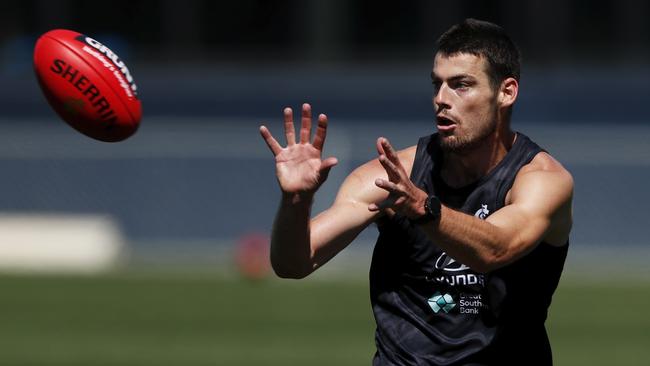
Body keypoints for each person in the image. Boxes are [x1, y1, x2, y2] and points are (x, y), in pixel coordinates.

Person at [259, 18, 573, 365]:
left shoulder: (541, 179)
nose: (441, 99)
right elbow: (294, 263)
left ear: (506, 92)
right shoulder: (392, 176)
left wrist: (423, 209)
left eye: (461, 85)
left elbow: (497, 248)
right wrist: (296, 201)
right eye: (437, 84)